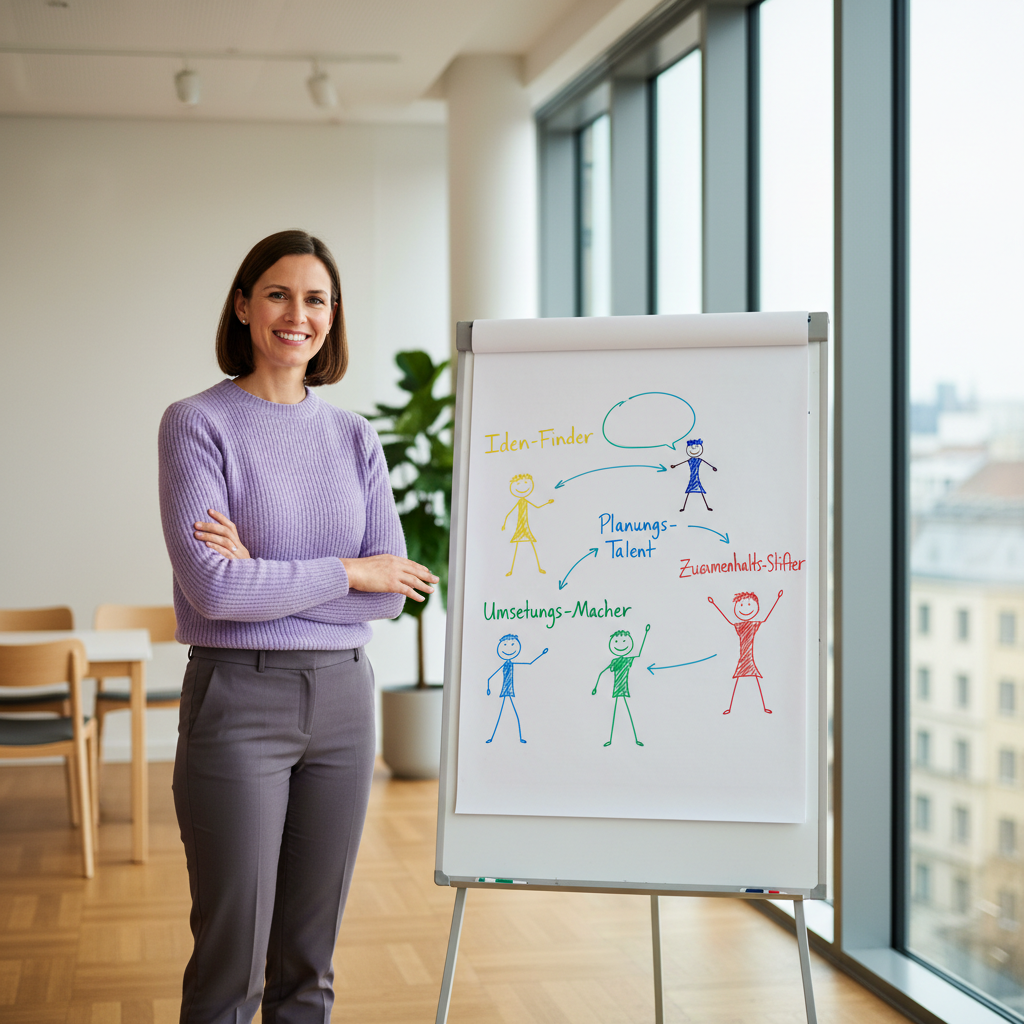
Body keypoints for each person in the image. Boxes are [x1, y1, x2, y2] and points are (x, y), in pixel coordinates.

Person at [158, 230, 437, 1023]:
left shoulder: (354, 436)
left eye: (316, 299)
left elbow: (393, 596)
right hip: (237, 703)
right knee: (230, 962)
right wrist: (345, 570)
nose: (297, 314)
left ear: (332, 316)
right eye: (278, 294)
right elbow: (214, 589)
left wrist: (266, 579)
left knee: (309, 967)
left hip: (347, 703)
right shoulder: (196, 423)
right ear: (244, 305)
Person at [708, 590, 783, 715]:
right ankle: (730, 708)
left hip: (748, 658)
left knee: (753, 680)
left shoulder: (754, 625)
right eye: (741, 605)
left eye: (749, 605)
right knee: (738, 681)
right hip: (744, 658)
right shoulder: (740, 626)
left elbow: (765, 619)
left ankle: (764, 707)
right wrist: (715, 604)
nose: (745, 609)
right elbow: (729, 621)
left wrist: (777, 599)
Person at [592, 625, 650, 746]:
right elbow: (604, 671)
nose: (620, 644)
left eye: (624, 641)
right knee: (617, 711)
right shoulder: (615, 661)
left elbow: (638, 654)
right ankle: (614, 739)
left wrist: (645, 633)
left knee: (622, 711)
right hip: (617, 688)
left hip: (622, 687)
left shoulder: (627, 660)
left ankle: (631, 738)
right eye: (617, 642)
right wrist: (596, 686)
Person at [485, 634, 548, 744]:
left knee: (513, 713)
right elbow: (490, 677)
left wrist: (541, 654)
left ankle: (517, 737)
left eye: (512, 644)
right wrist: (489, 688)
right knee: (504, 713)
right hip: (505, 690)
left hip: (510, 690)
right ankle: (493, 737)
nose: (508, 648)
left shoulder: (511, 664)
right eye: (505, 645)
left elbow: (529, 662)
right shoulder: (505, 664)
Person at [501, 473, 554, 575]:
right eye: (519, 484)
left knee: (531, 546)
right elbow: (510, 513)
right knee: (517, 547)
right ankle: (511, 570)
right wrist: (504, 524)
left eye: (526, 483)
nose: (523, 487)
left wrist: (547, 503)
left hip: (524, 527)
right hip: (520, 528)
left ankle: (539, 568)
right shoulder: (519, 502)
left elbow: (537, 507)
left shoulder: (525, 501)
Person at [670, 438, 717, 511]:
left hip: (696, 478)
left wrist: (713, 467)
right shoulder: (690, 460)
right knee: (690, 491)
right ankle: (684, 507)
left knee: (698, 491)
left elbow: (708, 464)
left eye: (697, 447)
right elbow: (681, 463)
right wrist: (675, 466)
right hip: (693, 477)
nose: (694, 450)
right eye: (691, 448)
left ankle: (707, 507)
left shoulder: (699, 460)